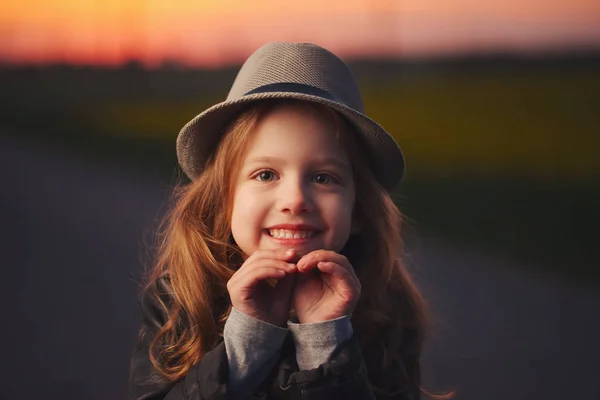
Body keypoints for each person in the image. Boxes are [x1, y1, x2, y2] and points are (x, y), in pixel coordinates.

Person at [127, 42, 434, 400]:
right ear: (223, 202)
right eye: (266, 175)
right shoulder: (180, 297)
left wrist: (326, 340)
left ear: (359, 211)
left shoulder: (387, 306)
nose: (295, 201)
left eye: (323, 178)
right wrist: (249, 341)